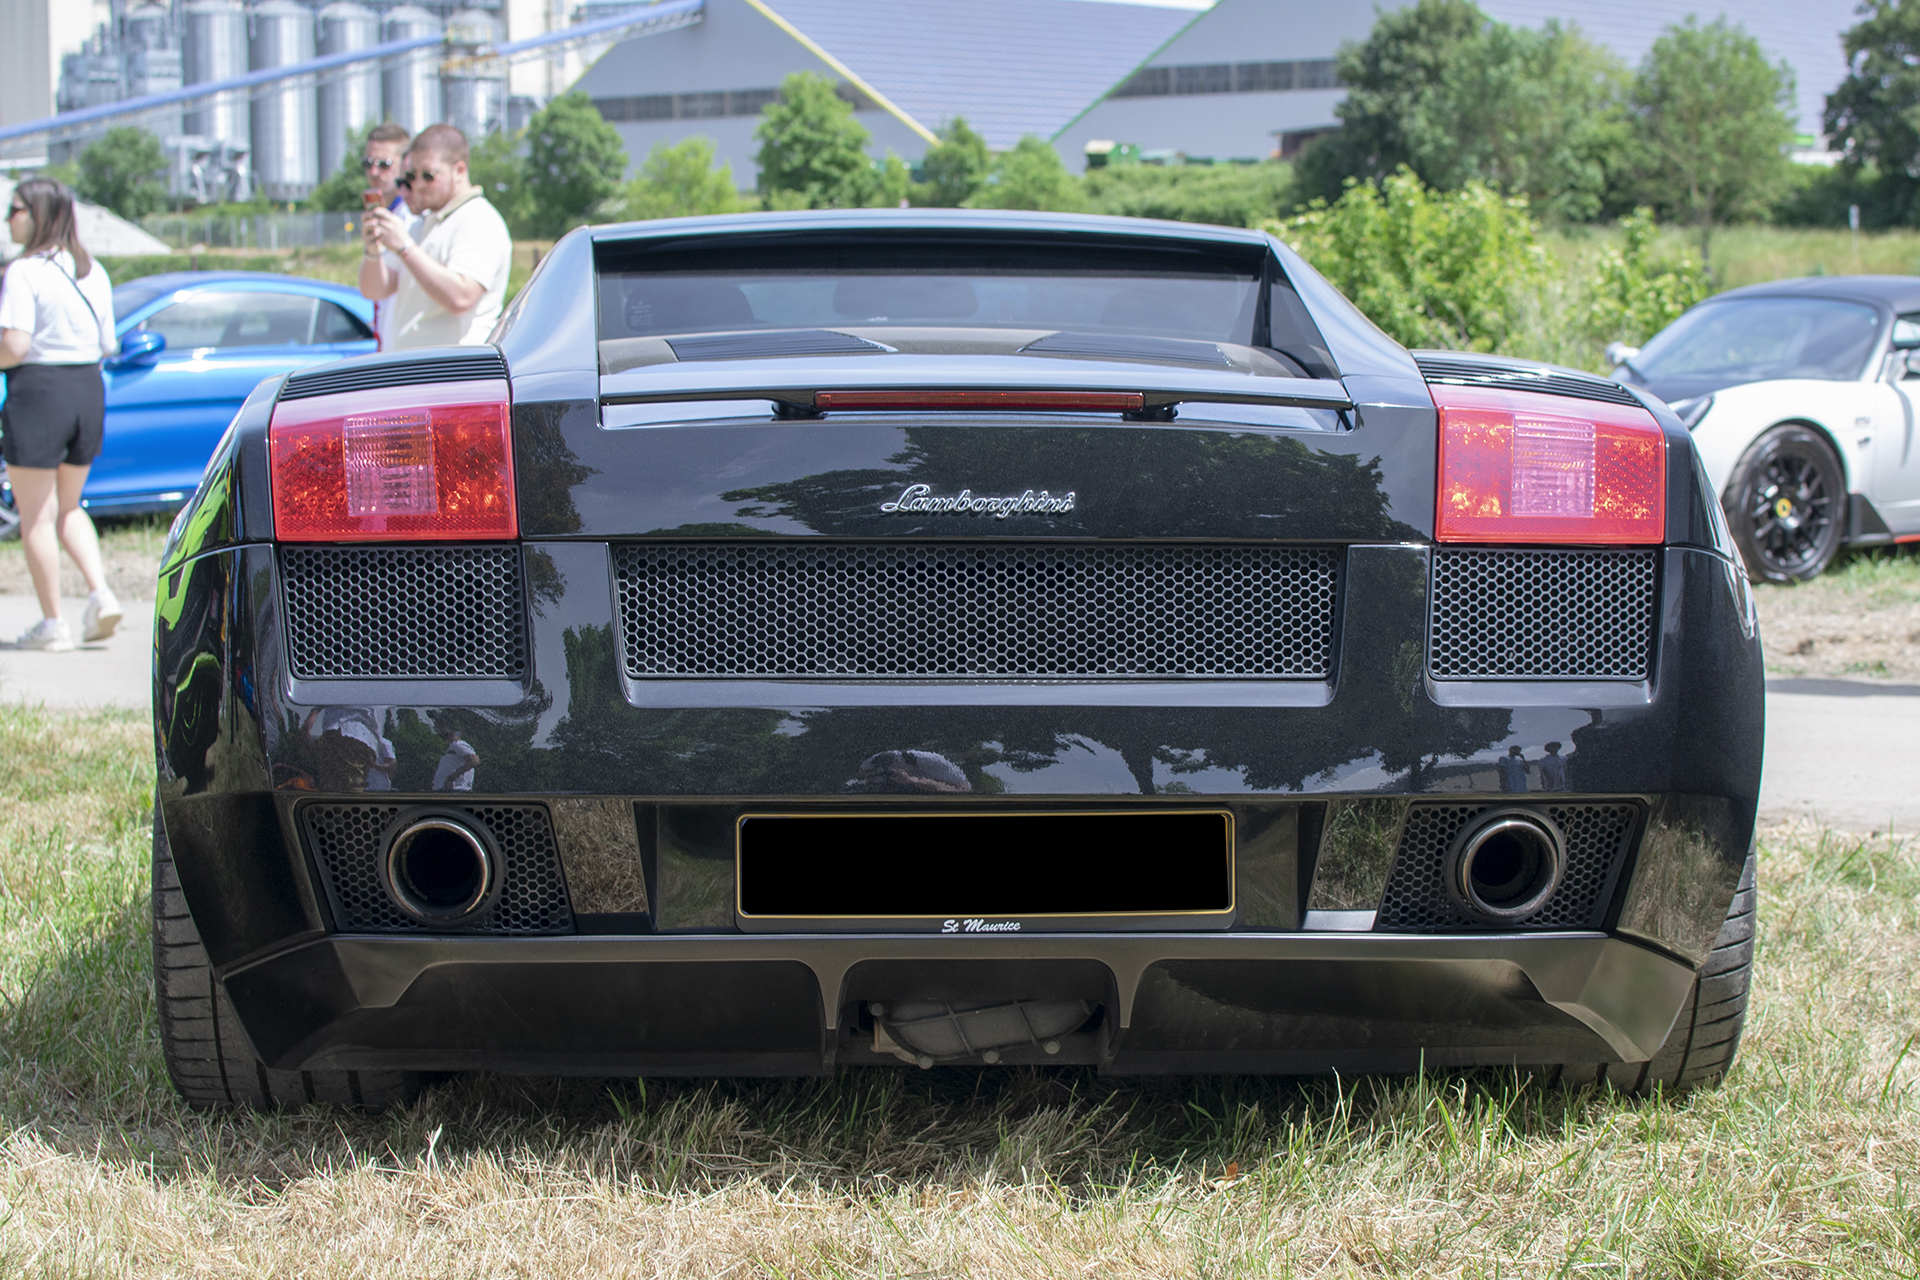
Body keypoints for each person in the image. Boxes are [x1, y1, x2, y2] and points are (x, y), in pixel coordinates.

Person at [0, 177, 121, 652]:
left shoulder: (25, 270)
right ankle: (101, 592)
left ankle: (53, 623)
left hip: (39, 391)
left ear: (39, 214)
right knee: (69, 505)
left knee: (36, 515)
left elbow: (15, 345)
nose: (10, 218)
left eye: (16, 209)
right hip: (87, 389)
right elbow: (108, 342)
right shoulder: (92, 269)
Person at [358, 123, 512, 350]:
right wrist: (372, 251)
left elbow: (461, 298)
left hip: (454, 374)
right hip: (417, 374)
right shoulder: (425, 222)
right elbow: (375, 290)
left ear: (459, 170)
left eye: (428, 176)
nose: (418, 185)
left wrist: (405, 248)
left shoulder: (478, 218)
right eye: (412, 175)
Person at [357, 122, 417, 351]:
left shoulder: (414, 218)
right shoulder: (386, 215)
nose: (374, 172)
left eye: (384, 164)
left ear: (406, 164)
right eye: (368, 163)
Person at [432, 718, 479, 792]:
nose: (438, 730)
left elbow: (474, 760)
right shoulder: (451, 747)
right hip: (444, 791)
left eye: (441, 726)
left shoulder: (457, 744)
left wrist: (452, 777)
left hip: (455, 791)